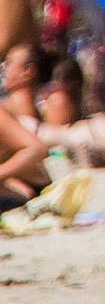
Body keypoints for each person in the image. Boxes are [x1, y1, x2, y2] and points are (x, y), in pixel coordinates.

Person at [0, 43, 50, 208]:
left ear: (28, 71)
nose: (3, 70)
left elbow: (37, 148)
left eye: (8, 64)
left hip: (29, 185)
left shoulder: (11, 107)